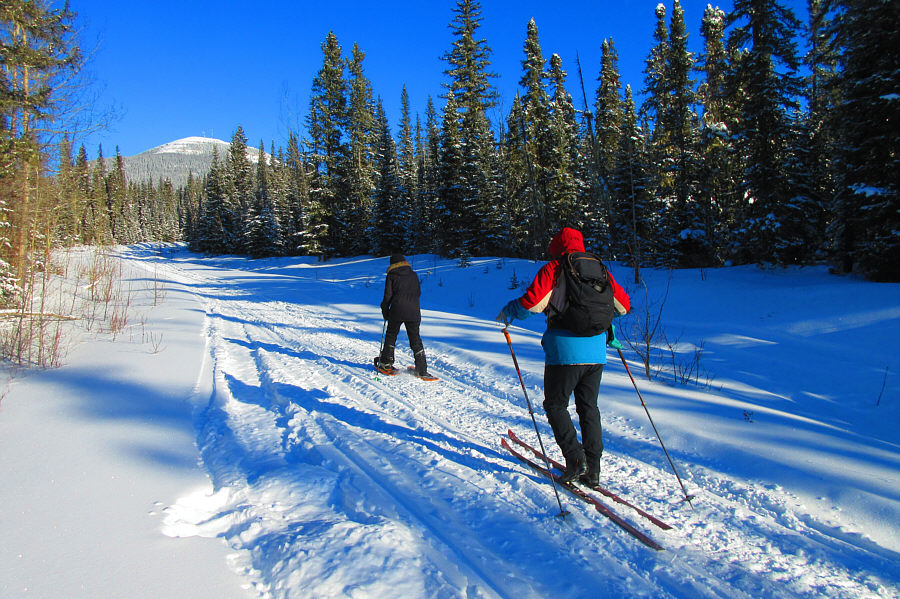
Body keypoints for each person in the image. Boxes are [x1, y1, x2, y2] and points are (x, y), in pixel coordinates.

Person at [496, 227, 630, 485]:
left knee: (556, 405)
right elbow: (623, 306)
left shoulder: (555, 268)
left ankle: (574, 459)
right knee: (588, 407)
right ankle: (594, 469)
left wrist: (509, 310)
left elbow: (532, 304)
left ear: (558, 245)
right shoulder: (600, 270)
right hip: (596, 351)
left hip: (564, 351)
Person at [377, 254, 434, 379]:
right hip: (414, 311)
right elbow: (418, 292)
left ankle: (386, 362)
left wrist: (385, 310)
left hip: (397, 310)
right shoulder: (413, 275)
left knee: (391, 335)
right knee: (415, 339)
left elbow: (387, 296)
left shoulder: (391, 275)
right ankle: (421, 369)